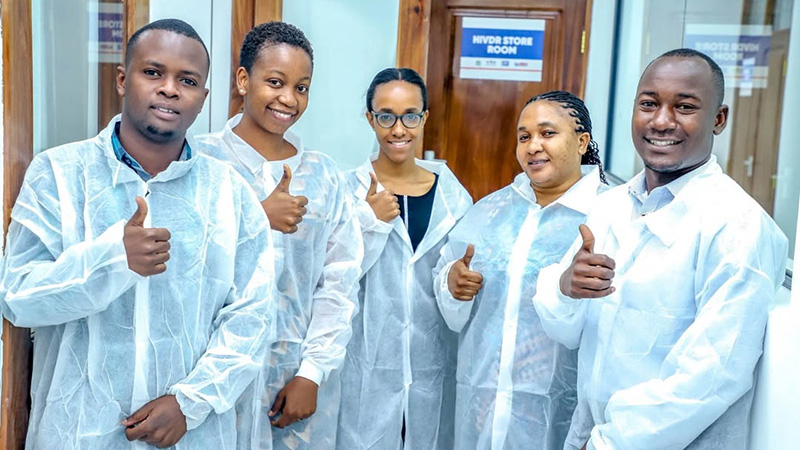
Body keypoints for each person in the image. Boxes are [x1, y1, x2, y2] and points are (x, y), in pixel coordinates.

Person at [0, 19, 276, 450]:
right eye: (153, 72)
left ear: (203, 99)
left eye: (187, 80)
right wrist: (112, 259)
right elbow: (17, 296)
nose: (169, 89)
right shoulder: (59, 174)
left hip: (192, 435)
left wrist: (189, 403)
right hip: (77, 434)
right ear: (122, 80)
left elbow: (253, 316)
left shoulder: (229, 193)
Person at [533, 49, 788, 450]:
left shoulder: (738, 226)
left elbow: (710, 376)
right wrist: (567, 288)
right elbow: (565, 332)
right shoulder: (610, 207)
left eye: (684, 107)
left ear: (718, 119)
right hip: (593, 434)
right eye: (649, 104)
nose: (661, 121)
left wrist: (608, 443)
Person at [197, 22, 362, 450]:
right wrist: (256, 217)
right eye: (275, 82)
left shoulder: (323, 176)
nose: (289, 98)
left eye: (301, 88)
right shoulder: (200, 162)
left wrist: (312, 373)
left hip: (292, 383)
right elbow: (180, 263)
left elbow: (339, 281)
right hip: (206, 376)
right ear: (243, 80)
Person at [432, 91, 607, 449]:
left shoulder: (609, 214)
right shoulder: (491, 211)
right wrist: (452, 282)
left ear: (581, 142)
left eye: (547, 133)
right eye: (524, 136)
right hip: (481, 409)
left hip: (563, 418)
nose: (533, 146)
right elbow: (448, 279)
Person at [337, 67, 473, 450]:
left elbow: (458, 281)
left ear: (424, 118)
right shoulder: (347, 192)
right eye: (386, 116)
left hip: (434, 368)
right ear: (370, 119)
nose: (399, 129)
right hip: (364, 370)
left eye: (410, 116)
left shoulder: (453, 197)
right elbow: (331, 277)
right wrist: (366, 220)